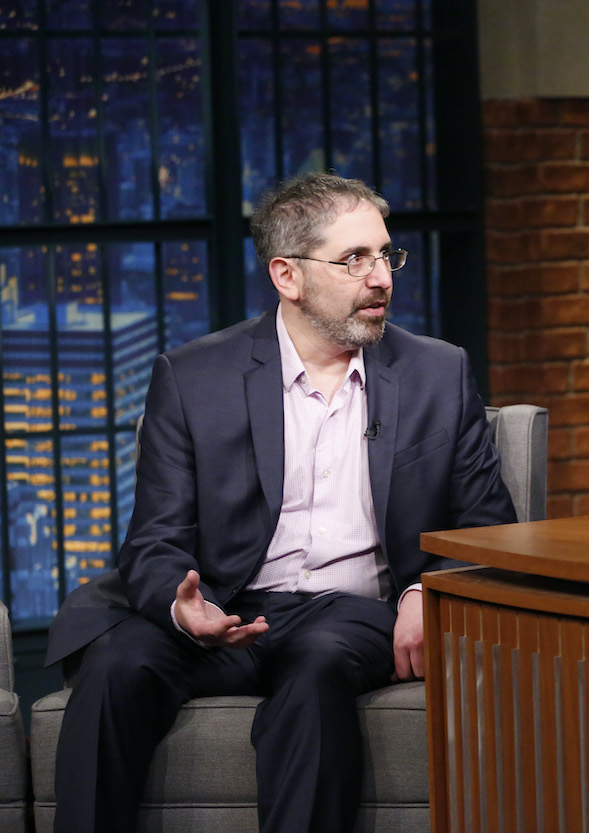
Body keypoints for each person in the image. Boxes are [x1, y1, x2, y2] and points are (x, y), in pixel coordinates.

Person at [44, 172, 518, 833]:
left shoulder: (438, 372)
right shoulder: (193, 375)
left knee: (316, 668)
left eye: (386, 254)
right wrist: (186, 612)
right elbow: (155, 539)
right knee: (115, 664)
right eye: (354, 259)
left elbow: (490, 532)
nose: (381, 276)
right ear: (287, 276)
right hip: (225, 605)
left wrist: (424, 594)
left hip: (352, 613)